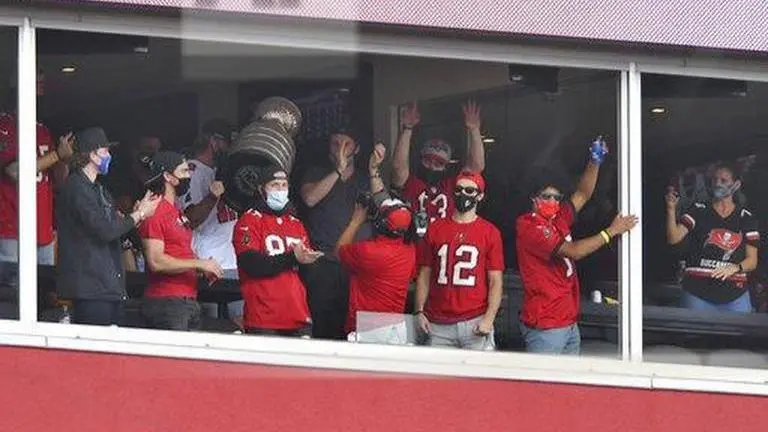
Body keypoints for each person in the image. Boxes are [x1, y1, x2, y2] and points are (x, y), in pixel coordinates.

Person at [516, 138, 637, 355]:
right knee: (546, 388)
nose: (553, 201)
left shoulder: (558, 219)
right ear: (534, 199)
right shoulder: (530, 225)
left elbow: (582, 194)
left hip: (568, 321)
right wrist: (611, 231)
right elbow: (574, 251)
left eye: (556, 197)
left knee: (568, 388)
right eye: (546, 197)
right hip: (546, 325)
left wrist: (595, 160)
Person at [56, 127, 159, 325]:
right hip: (89, 287)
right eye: (105, 151)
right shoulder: (76, 187)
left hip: (109, 286)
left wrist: (135, 214)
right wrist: (138, 215)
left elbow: (115, 227)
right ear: (93, 154)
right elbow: (105, 230)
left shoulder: (100, 189)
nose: (109, 156)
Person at [0, 72, 72, 313]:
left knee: (46, 295)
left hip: (42, 229)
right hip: (10, 224)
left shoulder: (42, 130)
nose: (41, 87)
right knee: (11, 294)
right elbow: (14, 171)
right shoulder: (5, 125)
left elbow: (59, 182)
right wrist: (56, 156)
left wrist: (65, 159)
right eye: (35, 81)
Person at [336, 143, 417, 344]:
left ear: (380, 224)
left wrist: (355, 221)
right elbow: (383, 201)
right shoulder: (409, 249)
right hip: (395, 328)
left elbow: (339, 251)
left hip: (367, 329)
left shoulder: (369, 251)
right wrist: (373, 170)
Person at [414, 171, 504, 350]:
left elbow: (495, 281)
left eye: (470, 190)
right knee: (437, 377)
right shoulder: (435, 228)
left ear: (480, 195)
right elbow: (424, 274)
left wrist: (489, 318)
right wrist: (419, 311)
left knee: (477, 378)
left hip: (475, 322)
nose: (463, 194)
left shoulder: (490, 232)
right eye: (459, 189)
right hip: (437, 323)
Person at [300, 128, 372, 340]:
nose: (340, 149)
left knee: (354, 329)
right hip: (323, 264)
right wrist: (337, 172)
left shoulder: (364, 180)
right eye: (335, 143)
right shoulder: (316, 172)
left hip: (357, 266)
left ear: (357, 149)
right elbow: (310, 199)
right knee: (322, 328)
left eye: (346, 144)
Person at [233, 165, 321, 337]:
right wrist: (292, 258)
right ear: (261, 189)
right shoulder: (249, 220)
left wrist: (310, 263)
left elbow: (307, 275)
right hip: (263, 317)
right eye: (274, 185)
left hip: (298, 315)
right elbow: (251, 263)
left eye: (284, 185)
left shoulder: (296, 223)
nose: (280, 190)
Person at [139, 151, 223, 331]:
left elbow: (178, 250)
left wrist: (203, 268)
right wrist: (198, 263)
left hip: (187, 300)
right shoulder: (155, 210)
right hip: (167, 302)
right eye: (184, 171)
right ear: (168, 176)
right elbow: (156, 261)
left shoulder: (175, 211)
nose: (189, 176)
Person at [666, 163, 759, 312]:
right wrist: (671, 209)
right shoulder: (698, 210)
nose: (718, 184)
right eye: (715, 180)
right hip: (697, 292)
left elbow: (752, 261)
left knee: (741, 334)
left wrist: (735, 268)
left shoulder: (746, 218)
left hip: (735, 294)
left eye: (724, 180)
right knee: (694, 335)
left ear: (736, 185)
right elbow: (674, 238)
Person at [180, 119, 242, 322]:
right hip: (208, 264)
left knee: (239, 326)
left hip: (233, 264)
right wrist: (212, 197)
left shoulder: (220, 172)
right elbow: (190, 219)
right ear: (214, 142)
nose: (230, 149)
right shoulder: (192, 171)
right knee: (212, 328)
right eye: (227, 143)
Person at [391, 101, 485, 224]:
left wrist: (474, 130)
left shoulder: (452, 185)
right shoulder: (413, 184)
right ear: (421, 160)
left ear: (446, 166)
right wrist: (408, 129)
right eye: (428, 160)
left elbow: (476, 168)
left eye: (438, 163)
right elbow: (398, 167)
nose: (432, 166)